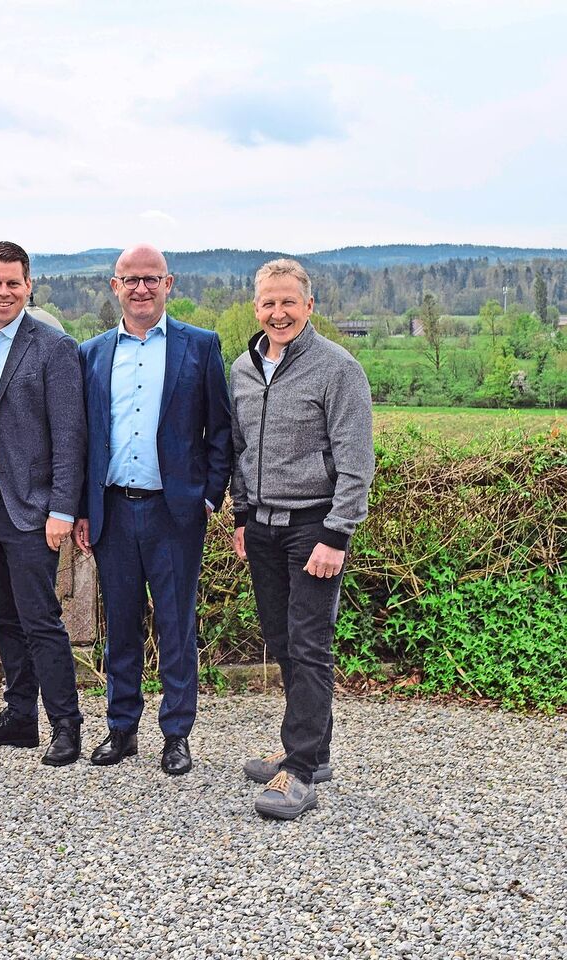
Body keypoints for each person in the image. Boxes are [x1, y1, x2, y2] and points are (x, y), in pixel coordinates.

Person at [73, 244, 232, 776]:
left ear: (169, 283)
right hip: (114, 511)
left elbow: (221, 431)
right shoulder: (92, 353)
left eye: (151, 278)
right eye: (131, 279)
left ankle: (176, 734)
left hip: (175, 514)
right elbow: (84, 439)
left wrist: (208, 496)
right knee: (120, 625)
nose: (141, 288)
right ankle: (121, 729)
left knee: (175, 626)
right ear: (114, 286)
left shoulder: (200, 346)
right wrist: (83, 508)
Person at [229, 258, 374, 820]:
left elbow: (356, 461)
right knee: (283, 639)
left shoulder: (338, 369)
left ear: (309, 305)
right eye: (269, 302)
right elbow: (240, 450)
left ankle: (301, 771)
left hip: (316, 526)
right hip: (262, 527)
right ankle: (312, 749)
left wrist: (337, 534)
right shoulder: (242, 369)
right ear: (256, 308)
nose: (279, 312)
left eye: (289, 301)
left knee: (310, 643)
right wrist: (242, 516)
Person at [0, 241, 87, 766]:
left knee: (40, 620)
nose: (4, 291)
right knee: (2, 618)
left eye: (14, 283)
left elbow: (69, 435)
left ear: (29, 286)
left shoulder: (53, 347)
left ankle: (66, 725)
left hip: (29, 510)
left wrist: (61, 509)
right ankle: (20, 718)